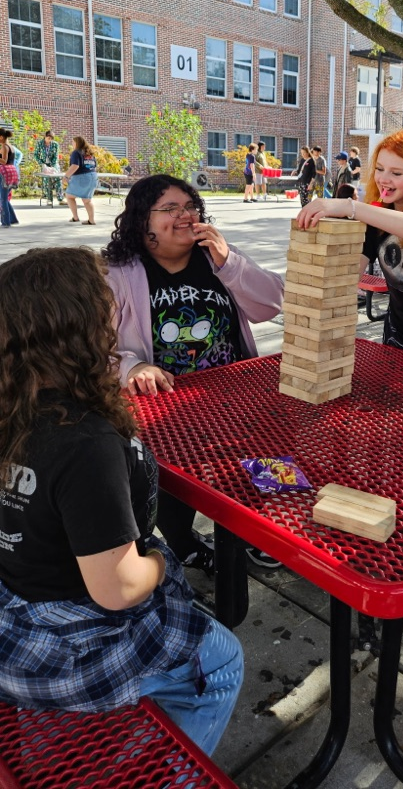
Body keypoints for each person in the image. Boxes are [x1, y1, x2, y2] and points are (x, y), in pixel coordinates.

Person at [0, 247, 243, 757]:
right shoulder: (85, 443)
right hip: (72, 642)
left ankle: (63, 743)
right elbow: (119, 588)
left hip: (15, 616)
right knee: (224, 662)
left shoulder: (14, 409)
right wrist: (159, 560)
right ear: (80, 326)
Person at [102, 174, 285, 573]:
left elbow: (272, 303)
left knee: (266, 453)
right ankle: (184, 543)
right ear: (141, 221)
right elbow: (94, 348)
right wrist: (135, 366)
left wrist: (229, 263)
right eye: (170, 209)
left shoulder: (217, 256)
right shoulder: (117, 274)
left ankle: (270, 530)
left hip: (236, 395)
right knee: (174, 480)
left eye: (191, 207)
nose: (185, 216)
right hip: (165, 407)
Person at [297, 130, 403, 366]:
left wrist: (349, 206)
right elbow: (350, 273)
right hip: (398, 330)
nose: (383, 179)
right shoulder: (378, 213)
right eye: (379, 169)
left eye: (396, 173)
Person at [64, 135, 98, 225]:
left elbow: (75, 166)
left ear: (77, 143)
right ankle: (91, 220)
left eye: (73, 142)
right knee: (87, 200)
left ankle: (75, 217)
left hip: (81, 177)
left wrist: (66, 176)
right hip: (93, 176)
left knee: (69, 196)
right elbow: (94, 166)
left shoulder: (76, 152)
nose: (72, 144)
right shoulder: (90, 153)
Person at [34, 129, 64, 206]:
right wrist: (42, 164)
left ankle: (60, 198)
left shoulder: (55, 144)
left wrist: (53, 166)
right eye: (48, 138)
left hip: (54, 164)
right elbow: (36, 155)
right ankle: (49, 199)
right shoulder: (39, 144)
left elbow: (56, 156)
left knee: (58, 179)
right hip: (44, 164)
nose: (49, 140)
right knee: (47, 181)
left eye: (51, 139)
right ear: (45, 136)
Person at [0, 129, 19, 228]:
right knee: (5, 198)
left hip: (5, 173)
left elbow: (4, 161)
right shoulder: (11, 146)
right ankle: (12, 219)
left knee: (2, 199)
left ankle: (6, 222)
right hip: (12, 172)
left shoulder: (4, 147)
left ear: (1, 137)